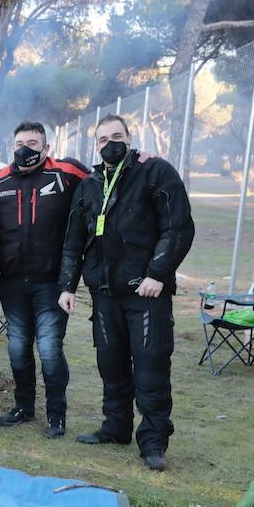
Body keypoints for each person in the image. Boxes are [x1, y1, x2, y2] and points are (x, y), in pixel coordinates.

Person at [58, 113, 195, 472]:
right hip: (104, 293)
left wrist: (158, 274)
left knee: (150, 365)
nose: (110, 144)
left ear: (130, 138)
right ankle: (115, 427)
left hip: (146, 292)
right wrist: (67, 286)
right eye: (102, 139)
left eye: (116, 136)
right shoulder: (89, 185)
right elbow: (73, 240)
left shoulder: (155, 172)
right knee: (110, 363)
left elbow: (178, 227)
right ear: (96, 145)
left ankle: (153, 441)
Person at [0, 121, 90, 438]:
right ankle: (24, 406)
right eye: (19, 142)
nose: (25, 148)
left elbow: (105, 182)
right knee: (17, 347)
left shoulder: (68, 173)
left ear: (47, 148)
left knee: (49, 349)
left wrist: (141, 160)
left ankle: (57, 415)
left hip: (52, 283)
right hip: (11, 282)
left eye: (32, 142)